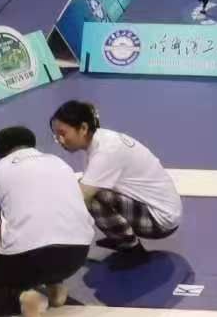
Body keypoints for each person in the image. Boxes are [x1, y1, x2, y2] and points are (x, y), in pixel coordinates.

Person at [0, 126, 94, 317]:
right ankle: (55, 287)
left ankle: (23, 300)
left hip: (32, 259)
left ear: (0, 153)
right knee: (49, 232)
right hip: (77, 254)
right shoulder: (59, 163)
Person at [50, 100, 182, 256]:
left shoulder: (106, 151)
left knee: (93, 200)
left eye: (63, 133)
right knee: (87, 189)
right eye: (56, 135)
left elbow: (81, 199)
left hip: (161, 221)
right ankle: (120, 235)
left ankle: (132, 250)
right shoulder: (102, 139)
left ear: (83, 128)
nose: (60, 140)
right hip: (161, 209)